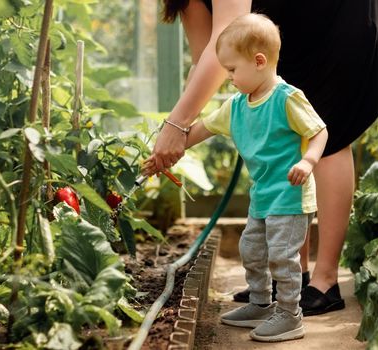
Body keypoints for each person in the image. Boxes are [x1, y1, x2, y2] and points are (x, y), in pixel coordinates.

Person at [146, 0, 378, 317]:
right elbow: (209, 59)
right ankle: (296, 277)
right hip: (283, 26)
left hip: (335, 16)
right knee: (284, 125)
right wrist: (182, 129)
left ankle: (326, 281)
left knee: (325, 130)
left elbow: (225, 34)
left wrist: (176, 125)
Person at [149, 13, 327, 342]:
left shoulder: (287, 98)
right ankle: (260, 304)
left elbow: (319, 131)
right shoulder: (237, 106)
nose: (228, 78)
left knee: (282, 256)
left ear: (259, 61)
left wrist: (308, 161)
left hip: (289, 196)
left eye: (232, 70)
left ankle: (290, 314)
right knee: (251, 249)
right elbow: (199, 130)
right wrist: (165, 154)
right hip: (262, 197)